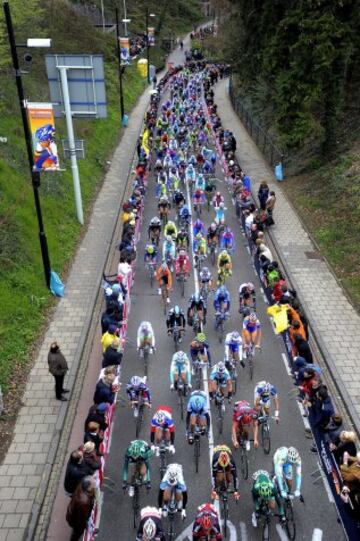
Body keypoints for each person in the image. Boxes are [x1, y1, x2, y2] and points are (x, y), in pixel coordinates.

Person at [66, 476, 96, 541]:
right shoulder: (84, 502)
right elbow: (81, 519)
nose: (94, 481)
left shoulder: (82, 486)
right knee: (77, 533)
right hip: (77, 522)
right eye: (93, 481)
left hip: (75, 515)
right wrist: (84, 526)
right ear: (89, 487)